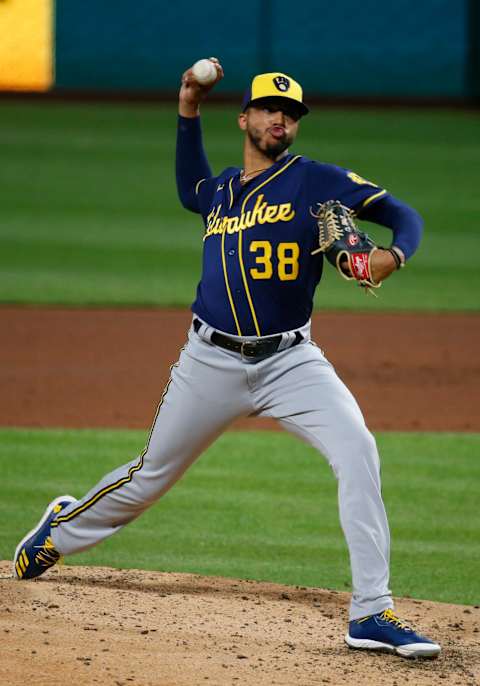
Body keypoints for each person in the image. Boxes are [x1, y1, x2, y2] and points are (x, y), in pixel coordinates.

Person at [13, 59, 440, 659]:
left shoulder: (317, 182)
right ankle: (62, 527)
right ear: (244, 118)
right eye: (269, 109)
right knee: (148, 478)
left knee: (358, 450)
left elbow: (405, 216)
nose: (280, 121)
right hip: (208, 361)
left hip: (293, 363)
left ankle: (371, 611)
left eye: (290, 115)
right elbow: (189, 185)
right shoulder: (219, 191)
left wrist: (393, 255)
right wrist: (188, 104)